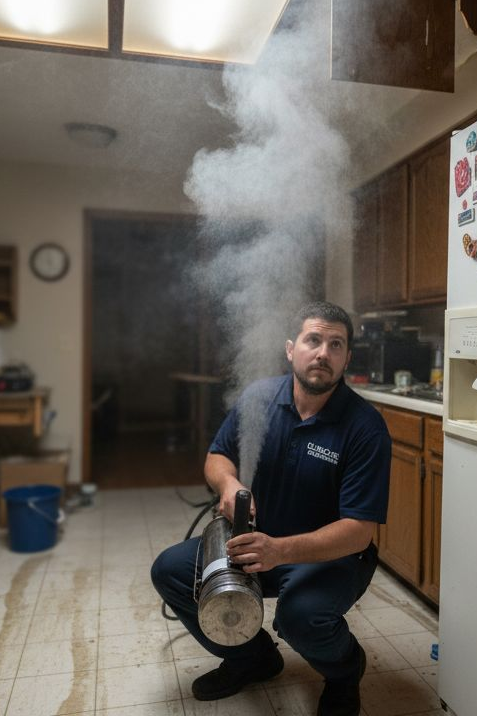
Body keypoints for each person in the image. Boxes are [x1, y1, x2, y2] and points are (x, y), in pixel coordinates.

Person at [150, 301, 391, 716]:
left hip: (329, 557)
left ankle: (344, 674)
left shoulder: (364, 427)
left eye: (336, 345)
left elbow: (358, 531)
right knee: (169, 570)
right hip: (252, 545)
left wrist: (279, 551)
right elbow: (216, 457)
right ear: (290, 349)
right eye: (313, 340)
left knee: (300, 617)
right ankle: (254, 658)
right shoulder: (259, 397)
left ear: (347, 358)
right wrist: (228, 483)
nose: (323, 353)